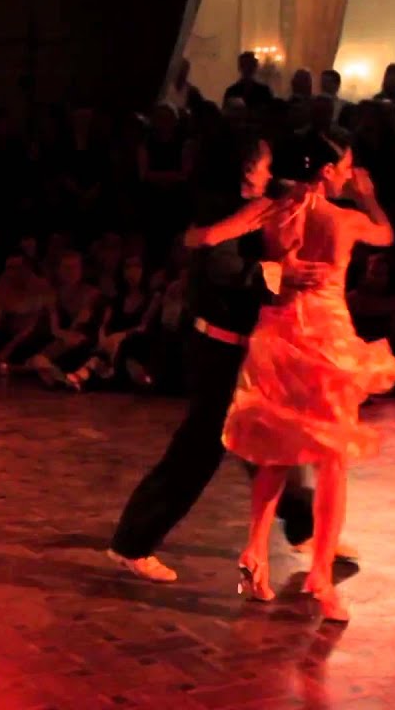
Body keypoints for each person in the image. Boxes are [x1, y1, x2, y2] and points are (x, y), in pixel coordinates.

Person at [107, 138, 329, 585]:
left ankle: (306, 527)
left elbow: (299, 193)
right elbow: (220, 266)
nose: (271, 173)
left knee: (276, 437)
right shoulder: (221, 211)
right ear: (248, 168)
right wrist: (278, 274)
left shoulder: (259, 201)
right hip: (218, 349)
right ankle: (131, 543)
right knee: (200, 450)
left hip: (248, 345)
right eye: (265, 165)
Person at [223, 136, 395, 623]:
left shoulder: (277, 212)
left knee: (277, 448)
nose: (349, 174)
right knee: (332, 458)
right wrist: (367, 196)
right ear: (329, 169)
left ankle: (254, 551)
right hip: (326, 338)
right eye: (346, 167)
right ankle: (320, 577)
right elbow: (386, 235)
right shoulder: (344, 219)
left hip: (280, 332)